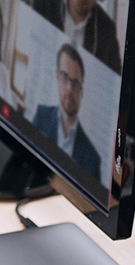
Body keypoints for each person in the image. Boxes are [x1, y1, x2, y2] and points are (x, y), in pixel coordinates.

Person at [32, 43, 101, 180]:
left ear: (81, 92)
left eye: (75, 83)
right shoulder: (41, 116)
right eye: (64, 77)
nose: (69, 89)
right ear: (57, 77)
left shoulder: (92, 158)